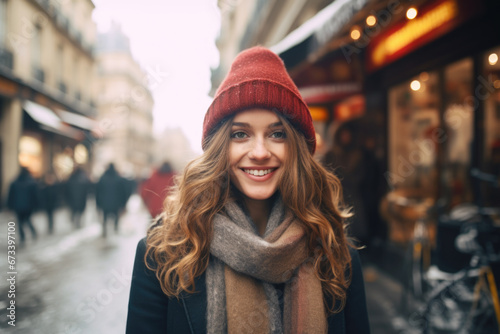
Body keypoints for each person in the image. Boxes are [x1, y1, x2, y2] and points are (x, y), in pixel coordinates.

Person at [126, 46, 370, 333]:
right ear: (219, 148)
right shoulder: (163, 253)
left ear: (296, 148)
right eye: (240, 134)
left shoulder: (336, 253)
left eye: (277, 134)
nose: (259, 152)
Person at [322, 120, 381, 248]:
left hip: (355, 197)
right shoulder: (330, 155)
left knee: (356, 233)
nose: (345, 137)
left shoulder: (358, 155)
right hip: (336, 198)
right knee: (340, 232)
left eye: (348, 134)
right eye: (343, 134)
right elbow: (325, 177)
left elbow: (363, 176)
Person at [7, 166, 39, 244]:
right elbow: (36, 196)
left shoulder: (15, 182)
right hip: (28, 207)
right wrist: (36, 206)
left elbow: (10, 196)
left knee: (20, 222)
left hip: (18, 206)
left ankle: (23, 237)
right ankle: (33, 233)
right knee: (27, 220)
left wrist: (9, 206)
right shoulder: (32, 182)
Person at [96, 163, 128, 237]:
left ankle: (105, 231)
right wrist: (123, 204)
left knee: (105, 217)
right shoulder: (119, 178)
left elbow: (98, 192)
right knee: (116, 216)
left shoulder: (103, 178)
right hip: (116, 203)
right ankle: (115, 229)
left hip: (104, 203)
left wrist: (98, 203)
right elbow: (123, 192)